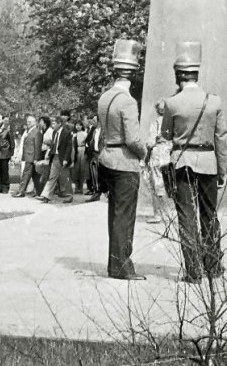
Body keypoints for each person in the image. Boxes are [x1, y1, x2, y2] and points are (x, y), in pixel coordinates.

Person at [161, 42, 227, 283]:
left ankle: (193, 272)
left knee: (187, 217)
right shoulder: (214, 101)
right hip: (209, 163)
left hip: (182, 163)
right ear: (196, 74)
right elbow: (220, 138)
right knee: (209, 215)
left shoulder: (172, 103)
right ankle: (213, 265)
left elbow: (166, 135)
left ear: (179, 76)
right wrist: (222, 170)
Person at [98, 39, 148, 280]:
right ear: (133, 76)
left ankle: (113, 264)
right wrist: (145, 152)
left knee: (115, 214)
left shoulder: (104, 97)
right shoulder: (128, 102)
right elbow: (133, 140)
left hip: (107, 158)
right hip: (125, 162)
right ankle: (121, 267)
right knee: (125, 217)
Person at [144, 100, 171, 225]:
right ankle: (168, 213)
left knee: (156, 184)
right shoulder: (172, 123)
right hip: (169, 154)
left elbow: (150, 142)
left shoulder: (155, 123)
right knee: (168, 184)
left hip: (157, 154)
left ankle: (158, 214)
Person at [38, 110, 75, 203]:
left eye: (54, 123)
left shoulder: (66, 133)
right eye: (52, 123)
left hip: (63, 159)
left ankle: (69, 196)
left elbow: (69, 147)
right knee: (52, 177)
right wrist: (49, 154)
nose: (52, 125)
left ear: (59, 123)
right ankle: (46, 196)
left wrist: (66, 159)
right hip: (55, 157)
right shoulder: (54, 133)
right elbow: (54, 145)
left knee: (65, 178)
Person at [11, 114, 43, 197]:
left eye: (30, 121)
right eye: (27, 121)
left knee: (26, 174)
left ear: (34, 122)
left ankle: (21, 191)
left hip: (31, 157)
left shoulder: (37, 132)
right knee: (35, 176)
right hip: (28, 156)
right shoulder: (28, 131)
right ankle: (40, 192)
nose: (28, 123)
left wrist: (36, 158)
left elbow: (37, 146)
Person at [0, 113, 14, 194]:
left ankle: (5, 186)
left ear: (2, 120)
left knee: (4, 171)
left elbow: (12, 143)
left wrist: (12, 154)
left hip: (5, 153)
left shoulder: (7, 130)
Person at [71, 120, 89, 195]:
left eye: (80, 125)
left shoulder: (85, 134)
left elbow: (87, 143)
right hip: (75, 151)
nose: (78, 126)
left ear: (82, 126)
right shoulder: (73, 134)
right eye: (77, 125)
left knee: (82, 169)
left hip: (82, 150)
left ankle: (80, 188)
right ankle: (76, 187)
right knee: (75, 169)